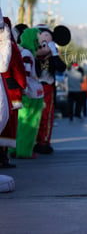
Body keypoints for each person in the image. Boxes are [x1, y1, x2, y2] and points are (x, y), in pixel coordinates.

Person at [34, 26, 67, 154]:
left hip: (47, 88)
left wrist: (54, 54)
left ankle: (44, 142)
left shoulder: (52, 58)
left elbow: (61, 68)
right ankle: (32, 141)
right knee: (33, 115)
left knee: (46, 115)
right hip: (33, 88)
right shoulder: (31, 56)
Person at [12, 28, 44, 158]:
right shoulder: (27, 54)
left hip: (27, 94)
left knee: (20, 124)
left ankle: (15, 149)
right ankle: (24, 151)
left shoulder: (24, 53)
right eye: (37, 40)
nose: (39, 44)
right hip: (31, 95)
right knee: (29, 125)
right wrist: (24, 91)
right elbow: (25, 75)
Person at [0, 17, 26, 168]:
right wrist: (23, 86)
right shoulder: (11, 47)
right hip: (11, 92)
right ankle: (3, 156)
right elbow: (19, 72)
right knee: (8, 125)